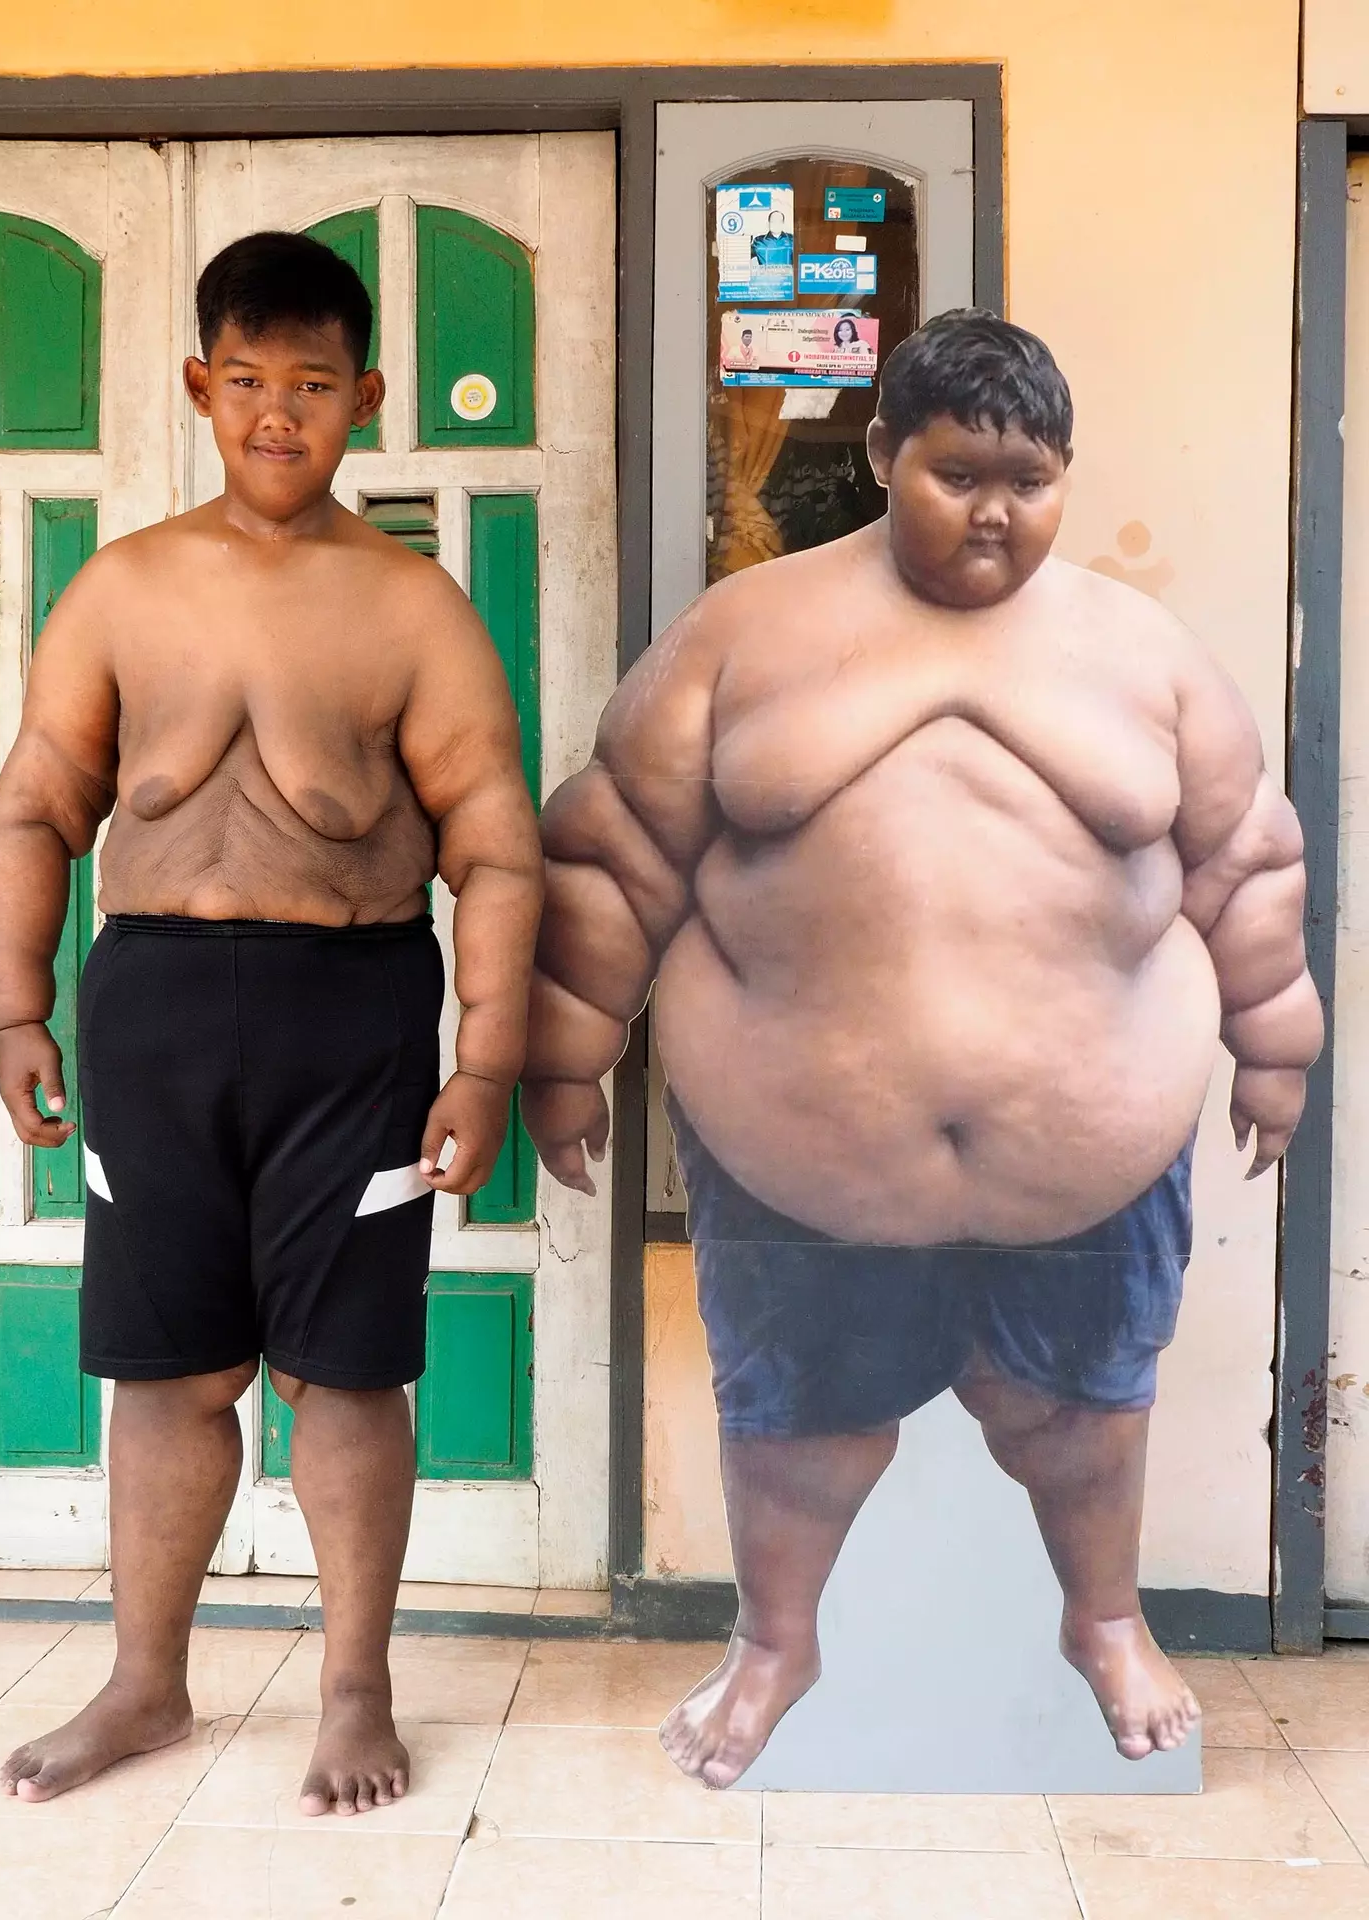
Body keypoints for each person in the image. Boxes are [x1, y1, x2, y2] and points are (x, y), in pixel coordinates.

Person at [521, 309, 1320, 1789]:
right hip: (800, 1156)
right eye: (960, 473)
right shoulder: (745, 635)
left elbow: (1244, 862)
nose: (997, 511)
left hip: (1091, 1156)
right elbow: (615, 852)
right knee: (796, 1423)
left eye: (1033, 478)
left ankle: (1105, 1619)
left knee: (1087, 1417)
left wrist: (1275, 1043)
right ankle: (776, 1642)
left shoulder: (1138, 652)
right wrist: (566, 1055)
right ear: (885, 454)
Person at [0, 231, 542, 1813]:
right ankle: (146, 1681)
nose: (277, 416)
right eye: (246, 384)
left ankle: (352, 1688)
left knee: (348, 1374)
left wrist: (486, 1060)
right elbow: (37, 809)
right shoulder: (124, 588)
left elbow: (494, 844)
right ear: (199, 389)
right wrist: (13, 1006)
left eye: (311, 386)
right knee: (164, 1374)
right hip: (152, 1004)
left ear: (365, 397)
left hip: (350, 1016)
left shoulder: (411, 607)